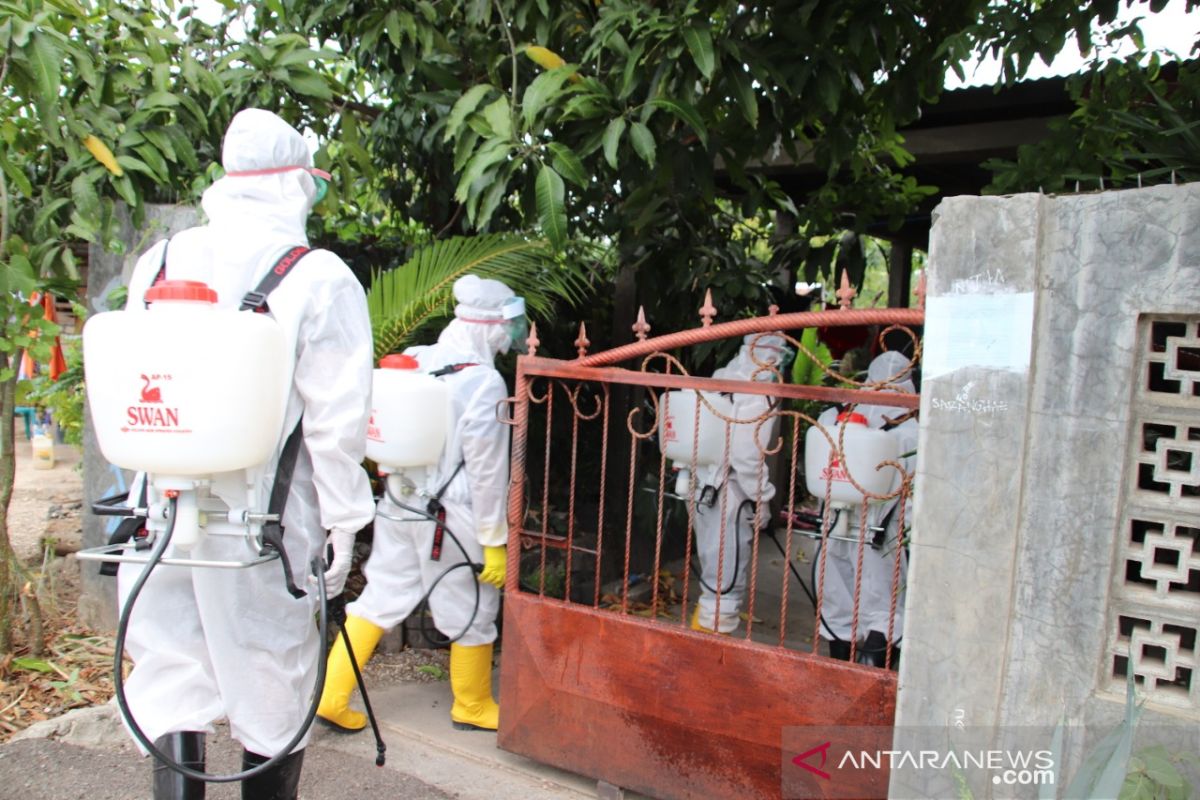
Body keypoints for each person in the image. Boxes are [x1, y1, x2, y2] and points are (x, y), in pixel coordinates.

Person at [117, 108, 376, 799]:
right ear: (296, 181)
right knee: (272, 677)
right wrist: (346, 522)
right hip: (262, 528)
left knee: (173, 673)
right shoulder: (317, 275)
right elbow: (335, 421)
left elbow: (132, 383)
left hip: (162, 514)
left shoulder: (161, 259)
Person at [317, 274, 521, 733]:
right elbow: (487, 470)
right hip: (452, 514)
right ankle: (471, 704)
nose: (510, 338)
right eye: (507, 328)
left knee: (381, 595)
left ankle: (331, 695)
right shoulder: (483, 382)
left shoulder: (415, 359)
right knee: (472, 605)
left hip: (397, 503)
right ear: (489, 326)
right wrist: (493, 539)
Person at [814, 350, 917, 667]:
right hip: (882, 534)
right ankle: (872, 685)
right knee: (884, 608)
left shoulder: (832, 419)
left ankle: (838, 674)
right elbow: (913, 496)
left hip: (835, 524)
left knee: (837, 601)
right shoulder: (912, 431)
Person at [689, 333, 789, 634]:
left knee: (712, 576)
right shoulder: (760, 385)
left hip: (703, 483)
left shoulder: (723, 376)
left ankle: (699, 644)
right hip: (732, 490)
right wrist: (762, 498)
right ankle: (710, 658)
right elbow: (746, 452)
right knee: (725, 584)